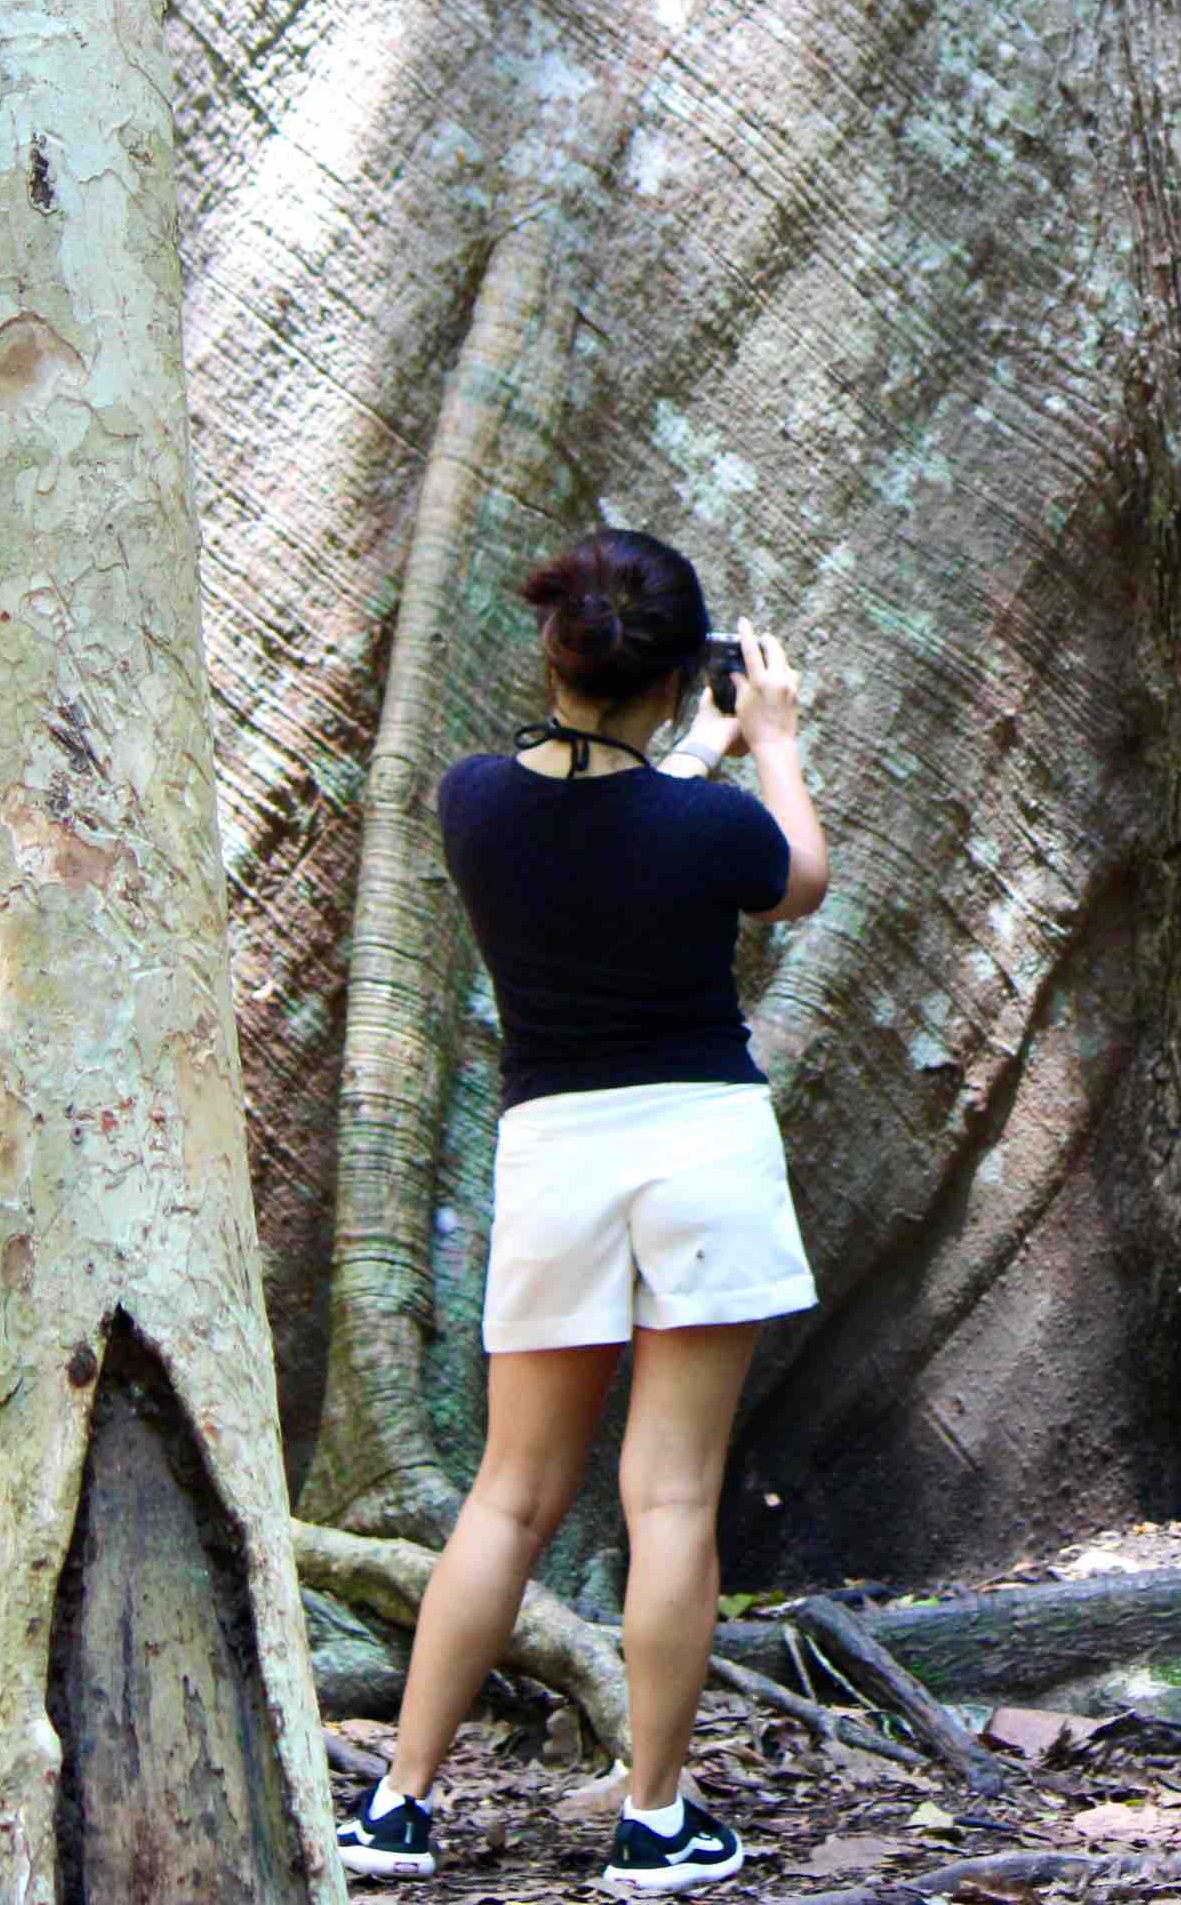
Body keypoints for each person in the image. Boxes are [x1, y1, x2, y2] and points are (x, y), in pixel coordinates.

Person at [336, 526, 830, 1894]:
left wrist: (690, 754)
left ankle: (396, 1806)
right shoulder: (711, 822)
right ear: (683, 680)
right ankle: (656, 1823)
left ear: (556, 654)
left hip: (554, 1155)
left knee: (509, 1496)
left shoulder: (471, 803)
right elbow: (795, 879)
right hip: (700, 1151)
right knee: (668, 1497)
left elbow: (602, 819)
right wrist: (772, 738)